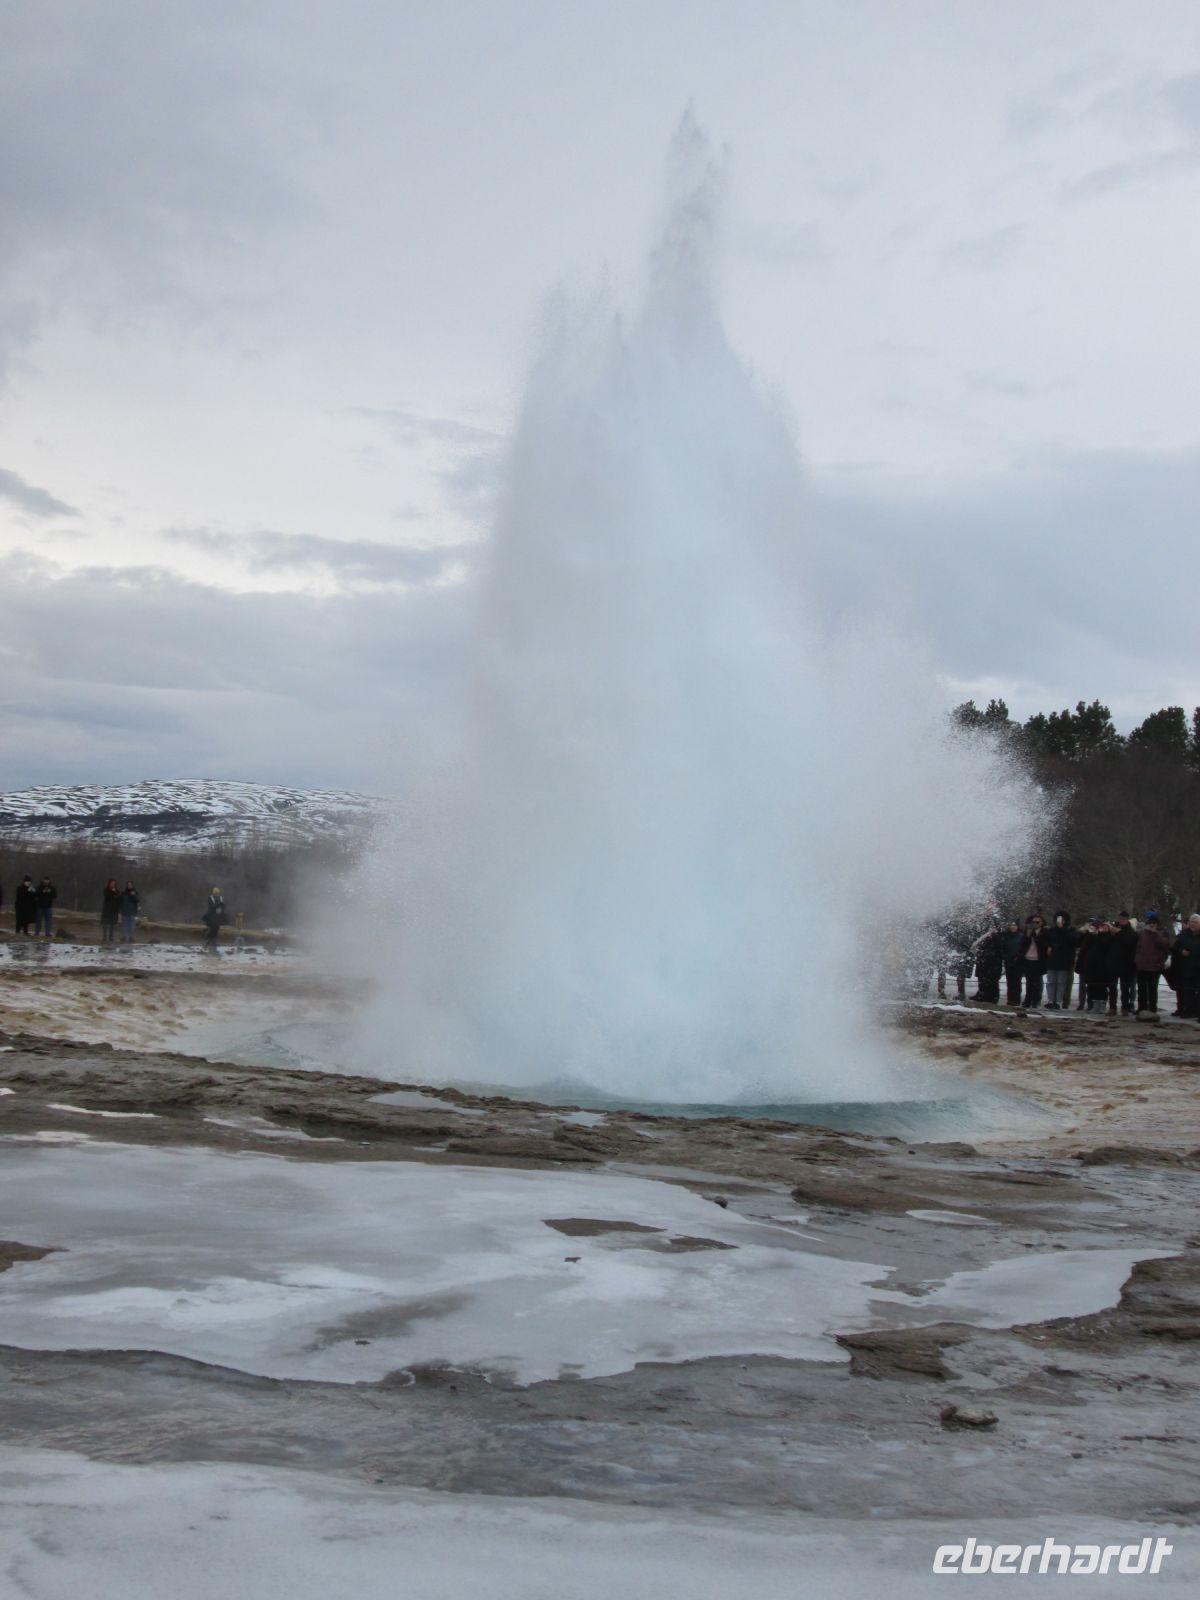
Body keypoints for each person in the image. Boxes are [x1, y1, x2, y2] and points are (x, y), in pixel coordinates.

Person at [1134, 911, 1172, 1015]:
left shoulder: (1162, 932)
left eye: (1154, 923)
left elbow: (1165, 944)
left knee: (1152, 989)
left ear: (1157, 923)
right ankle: (1141, 1008)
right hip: (1142, 965)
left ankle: (1152, 1008)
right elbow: (1138, 947)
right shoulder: (1142, 933)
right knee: (1141, 988)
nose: (1152, 924)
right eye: (1150, 922)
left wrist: (1155, 934)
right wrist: (1137, 959)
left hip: (1155, 965)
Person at [1043, 912, 1078, 1010]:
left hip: (1064, 960)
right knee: (1051, 981)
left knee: (1061, 982)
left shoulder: (1070, 930)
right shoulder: (1051, 930)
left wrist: (1062, 929)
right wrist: (1048, 947)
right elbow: (1047, 941)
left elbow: (1073, 941)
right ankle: (1050, 1000)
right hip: (1052, 959)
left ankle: (1058, 1001)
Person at [1170, 913, 1200, 1021]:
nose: (1193, 924)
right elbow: (1174, 949)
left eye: (1196, 922)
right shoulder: (1182, 936)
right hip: (1185, 968)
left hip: (1198, 969)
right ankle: (1186, 1010)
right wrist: (1181, 952)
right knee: (1186, 992)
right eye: (1192, 922)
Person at [1110, 910, 1138, 1015]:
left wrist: (1119, 933)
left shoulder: (1131, 931)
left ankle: (1125, 1007)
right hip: (1113, 962)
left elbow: (1131, 941)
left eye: (1123, 919)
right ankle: (1112, 1007)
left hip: (1126, 963)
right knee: (1112, 987)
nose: (1121, 921)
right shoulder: (1113, 929)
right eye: (1120, 919)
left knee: (1125, 987)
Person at [970, 921, 1003, 1003]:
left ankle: (993, 997)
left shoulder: (999, 936)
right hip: (983, 960)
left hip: (993, 961)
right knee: (982, 979)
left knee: (992, 980)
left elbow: (999, 949)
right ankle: (981, 994)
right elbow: (976, 946)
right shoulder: (984, 936)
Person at [1020, 914, 1049, 1008]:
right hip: (1028, 958)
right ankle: (1027, 1000)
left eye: (1037, 922)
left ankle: (1036, 1000)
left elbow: (1044, 945)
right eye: (1033, 922)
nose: (1035, 924)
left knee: (1037, 981)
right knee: (1029, 981)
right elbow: (1023, 944)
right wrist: (1028, 936)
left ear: (1041, 923)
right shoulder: (1028, 931)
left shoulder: (1045, 932)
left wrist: (1036, 937)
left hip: (1039, 959)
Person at [1001, 919, 1025, 1005]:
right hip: (1008, 961)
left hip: (1018, 962)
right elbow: (1003, 947)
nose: (1013, 927)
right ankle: (1010, 998)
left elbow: (1023, 948)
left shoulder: (1021, 936)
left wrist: (1018, 957)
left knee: (1017, 981)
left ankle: (1016, 999)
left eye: (1014, 925)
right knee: (1009, 981)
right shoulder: (1006, 936)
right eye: (1011, 925)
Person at [202, 887, 227, 953]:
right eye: (215, 894)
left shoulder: (221, 898)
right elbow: (211, 907)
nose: (216, 895)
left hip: (218, 916)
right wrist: (218, 905)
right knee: (211, 929)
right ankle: (208, 941)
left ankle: (214, 942)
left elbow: (223, 906)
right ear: (213, 893)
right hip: (211, 916)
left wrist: (222, 906)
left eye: (217, 894)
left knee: (216, 929)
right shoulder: (210, 898)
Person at [99, 878, 121, 944]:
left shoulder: (117, 890)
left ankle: (110, 937)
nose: (113, 884)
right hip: (107, 909)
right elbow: (106, 897)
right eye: (112, 883)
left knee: (112, 924)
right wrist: (112, 892)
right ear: (109, 883)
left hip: (114, 909)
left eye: (114, 883)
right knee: (105, 923)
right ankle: (104, 937)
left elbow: (118, 898)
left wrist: (118, 908)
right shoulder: (106, 889)